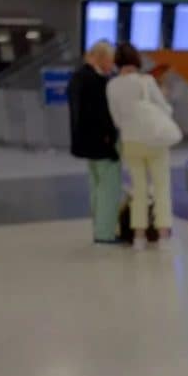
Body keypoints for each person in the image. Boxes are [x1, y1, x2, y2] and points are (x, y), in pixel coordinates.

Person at [105, 43, 176, 249]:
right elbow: (165, 109)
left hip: (130, 141)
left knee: (138, 189)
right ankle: (163, 236)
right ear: (137, 61)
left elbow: (116, 119)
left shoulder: (112, 86)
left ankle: (138, 237)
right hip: (154, 141)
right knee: (161, 187)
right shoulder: (147, 81)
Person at [67, 40, 121, 245]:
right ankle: (105, 232)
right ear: (102, 58)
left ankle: (99, 228)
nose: (112, 65)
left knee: (96, 187)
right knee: (109, 188)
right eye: (110, 60)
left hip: (85, 142)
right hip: (101, 143)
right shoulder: (95, 81)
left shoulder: (77, 77)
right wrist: (109, 141)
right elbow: (100, 115)